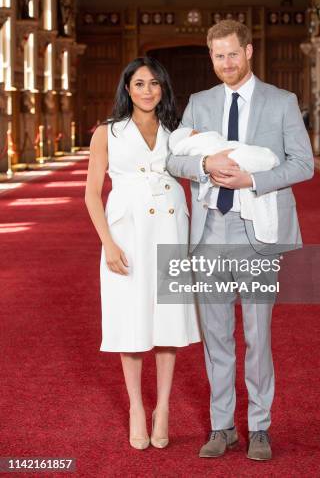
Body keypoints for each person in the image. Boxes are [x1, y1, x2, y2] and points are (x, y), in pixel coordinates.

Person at [167, 19, 314, 461]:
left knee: (257, 335)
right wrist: (204, 165)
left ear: (249, 52)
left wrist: (253, 177)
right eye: (218, 56)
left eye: (233, 54)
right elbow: (175, 158)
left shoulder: (281, 101)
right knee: (216, 338)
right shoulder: (199, 102)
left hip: (258, 231)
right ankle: (222, 426)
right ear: (211, 57)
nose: (226, 63)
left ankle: (260, 427)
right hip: (210, 230)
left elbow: (303, 164)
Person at [85, 57, 201, 451]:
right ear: (127, 89)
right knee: (131, 320)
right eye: (139, 83)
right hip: (127, 233)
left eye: (154, 83)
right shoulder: (107, 132)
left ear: (164, 89)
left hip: (170, 228)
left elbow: (201, 166)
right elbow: (91, 193)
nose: (147, 90)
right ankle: (137, 405)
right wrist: (108, 243)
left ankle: (163, 407)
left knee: (168, 320)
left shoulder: (178, 132)